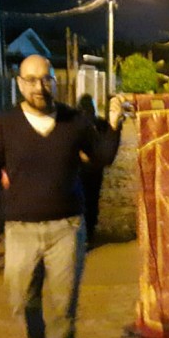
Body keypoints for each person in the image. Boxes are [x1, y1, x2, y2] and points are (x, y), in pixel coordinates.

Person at [0, 55, 122, 338]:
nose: (40, 86)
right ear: (20, 84)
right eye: (32, 80)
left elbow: (101, 157)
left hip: (67, 227)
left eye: (46, 79)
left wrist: (115, 124)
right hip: (20, 229)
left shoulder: (75, 120)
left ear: (55, 82)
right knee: (22, 298)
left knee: (63, 304)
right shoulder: (6, 123)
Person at [77, 93, 109, 246]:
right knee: (92, 200)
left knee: (83, 200)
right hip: (95, 169)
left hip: (83, 169)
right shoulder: (100, 123)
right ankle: (89, 233)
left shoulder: (77, 123)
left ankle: (85, 233)